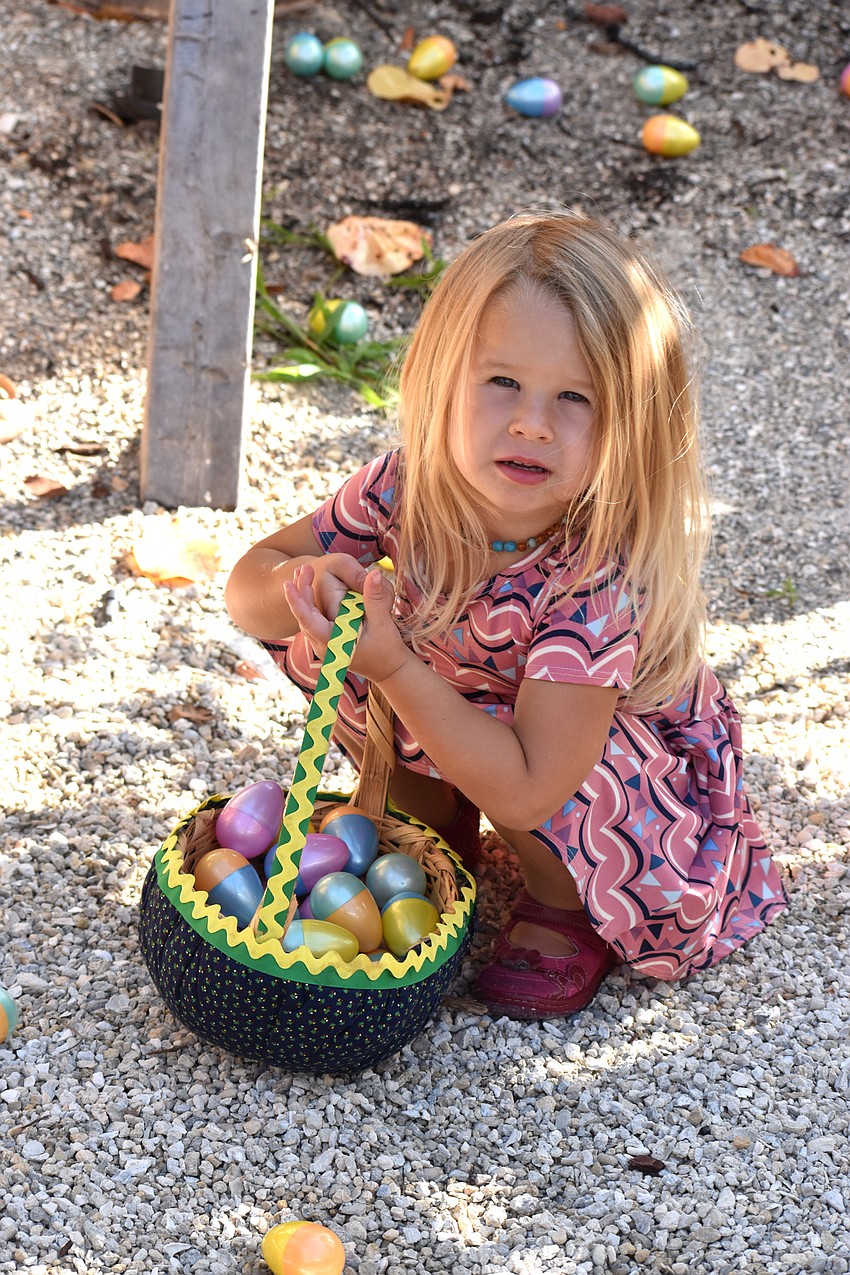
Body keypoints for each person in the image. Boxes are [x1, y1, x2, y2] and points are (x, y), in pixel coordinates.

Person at [225, 210, 787, 1021]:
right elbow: (248, 589)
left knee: (512, 742)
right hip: (459, 715)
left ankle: (561, 903)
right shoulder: (402, 487)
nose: (532, 422)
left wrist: (394, 666)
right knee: (342, 655)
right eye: (502, 383)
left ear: (630, 420)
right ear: (442, 376)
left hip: (584, 772)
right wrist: (305, 581)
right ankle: (435, 813)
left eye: (576, 397)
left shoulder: (597, 573)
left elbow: (531, 788)